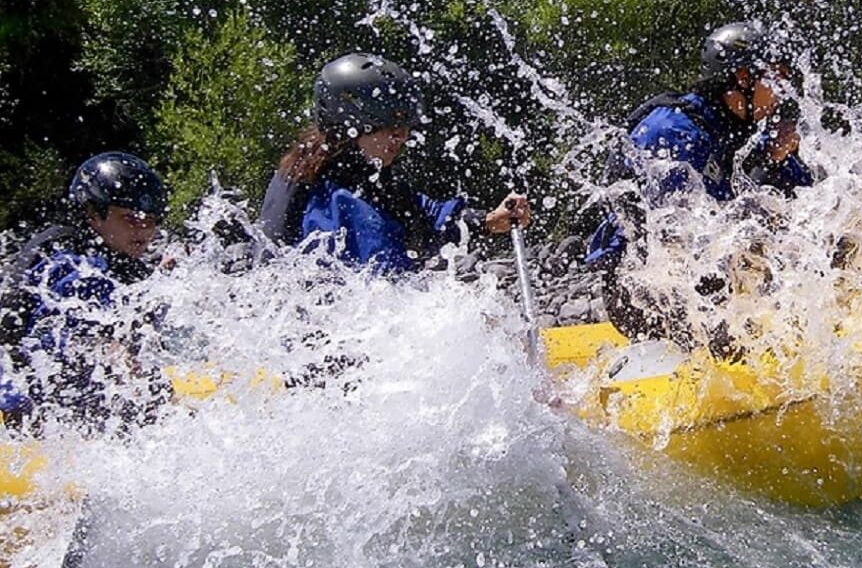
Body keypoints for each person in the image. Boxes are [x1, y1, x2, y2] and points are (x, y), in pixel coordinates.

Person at [585, 21, 813, 340]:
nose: (782, 90)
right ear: (742, 77)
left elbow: (807, 198)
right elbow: (678, 239)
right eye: (775, 77)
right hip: (640, 295)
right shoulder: (671, 133)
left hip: (702, 281)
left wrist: (775, 160)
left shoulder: (736, 131)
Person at [260, 52, 530, 272]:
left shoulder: (360, 174)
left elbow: (424, 214)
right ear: (351, 125)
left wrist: (489, 219)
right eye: (388, 125)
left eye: (403, 124)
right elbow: (380, 276)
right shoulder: (332, 197)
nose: (401, 135)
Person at [0, 152, 172, 431]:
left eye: (150, 220)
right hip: (21, 399)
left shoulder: (126, 266)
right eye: (130, 218)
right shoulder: (66, 262)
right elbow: (54, 340)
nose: (144, 230)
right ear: (93, 214)